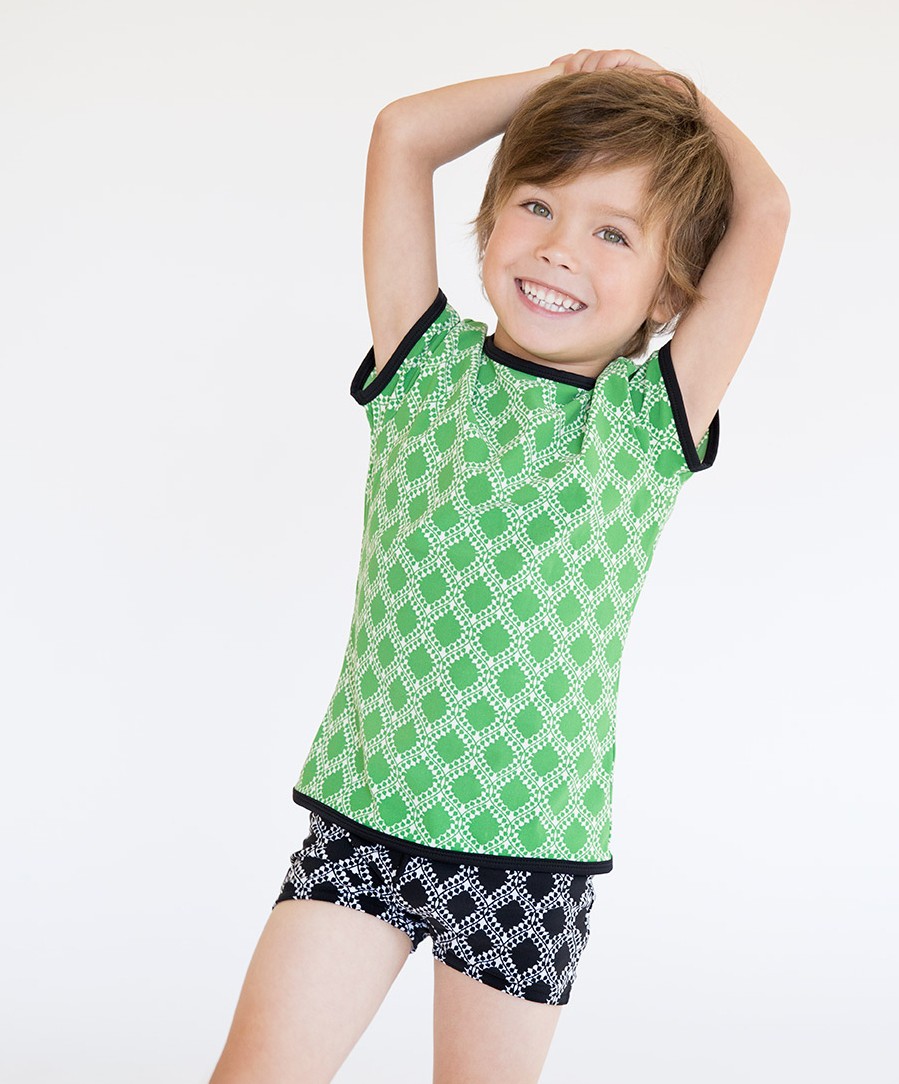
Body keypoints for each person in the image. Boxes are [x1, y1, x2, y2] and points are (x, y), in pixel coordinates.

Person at [209, 47, 789, 1084]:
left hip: (528, 862)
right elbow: (401, 134)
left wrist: (675, 95)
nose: (559, 248)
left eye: (612, 232)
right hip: (364, 824)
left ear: (668, 292)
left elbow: (767, 212)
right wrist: (557, 85)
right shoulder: (423, 369)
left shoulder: (644, 427)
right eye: (536, 205)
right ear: (487, 224)